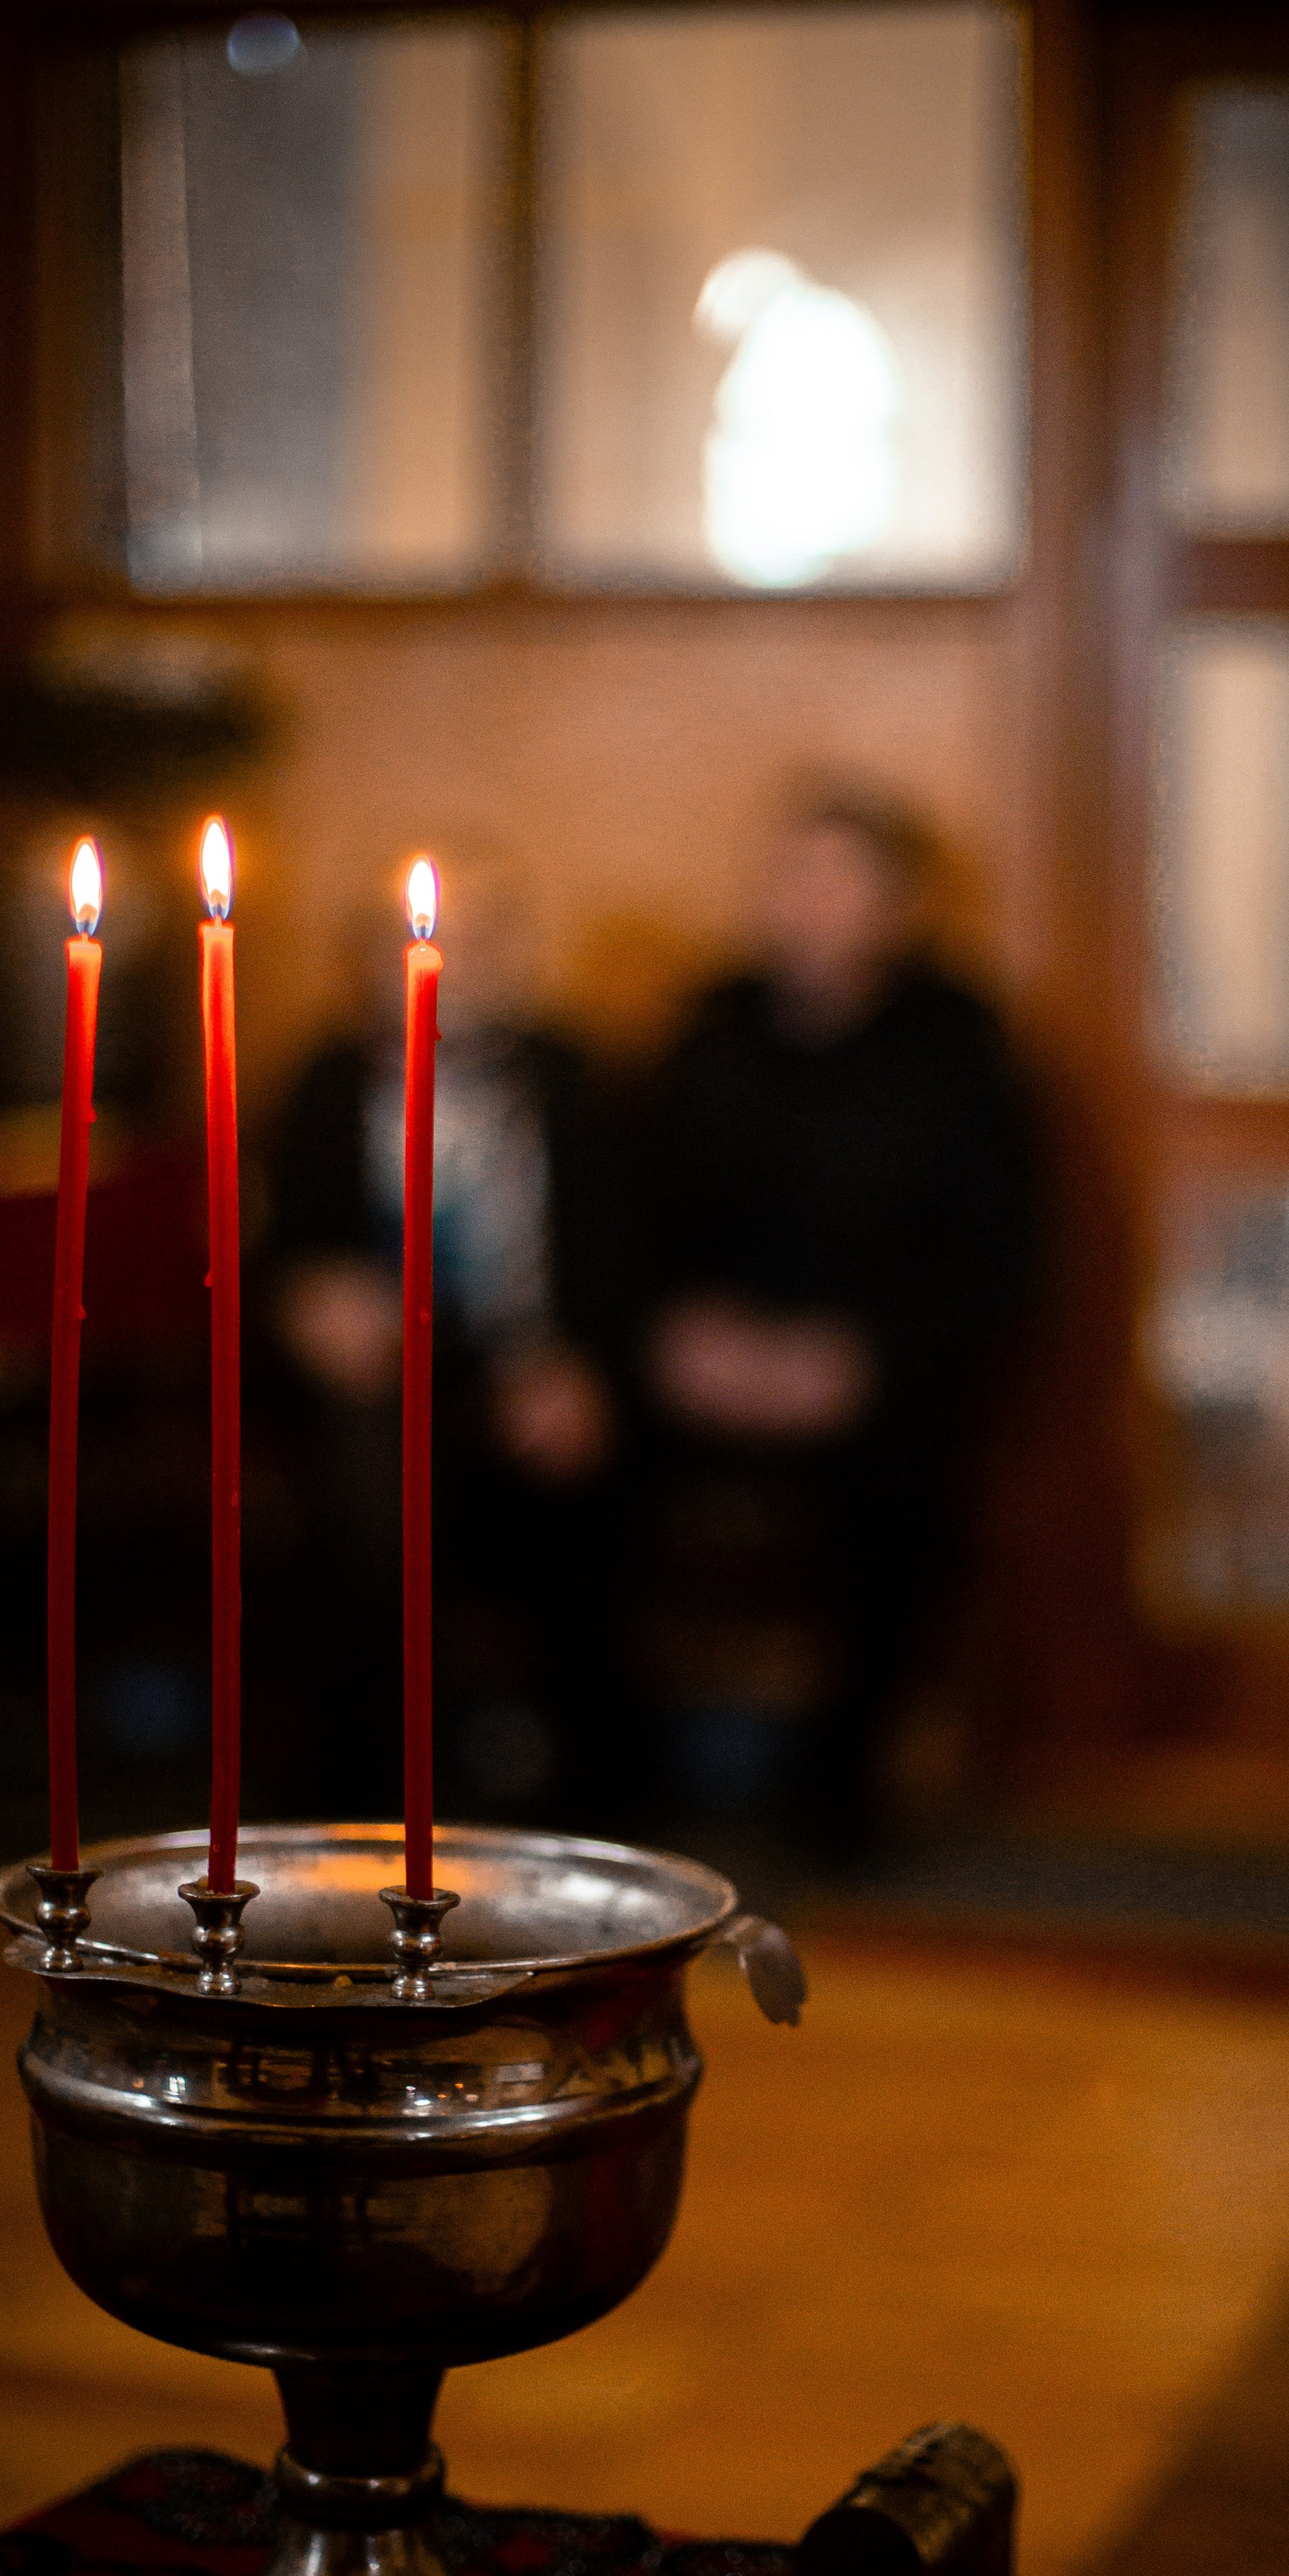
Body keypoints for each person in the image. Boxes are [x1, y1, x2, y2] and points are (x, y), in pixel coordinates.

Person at [634, 787, 1041, 1853]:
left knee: (909, 1495)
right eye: (787, 876)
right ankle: (616, 1774)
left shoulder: (961, 1043)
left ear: (899, 909)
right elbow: (631, 1210)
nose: (801, 903)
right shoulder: (708, 1023)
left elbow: (995, 1255)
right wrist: (680, 1333)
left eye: (833, 879)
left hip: (874, 1373)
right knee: (565, 1448)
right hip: (704, 1362)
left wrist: (856, 1359)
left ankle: (837, 1785)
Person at [257, 858, 628, 1821]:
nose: (449, 963)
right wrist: (309, 1296)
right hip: (375, 1377)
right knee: (363, 1482)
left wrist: (577, 1362)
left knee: (577, 1493)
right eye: (420, 939)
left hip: (526, 1364)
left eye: (480, 939)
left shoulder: (572, 1079)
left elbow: (621, 1247)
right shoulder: (326, 1083)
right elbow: (275, 1246)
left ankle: (570, 1792)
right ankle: (363, 1783)